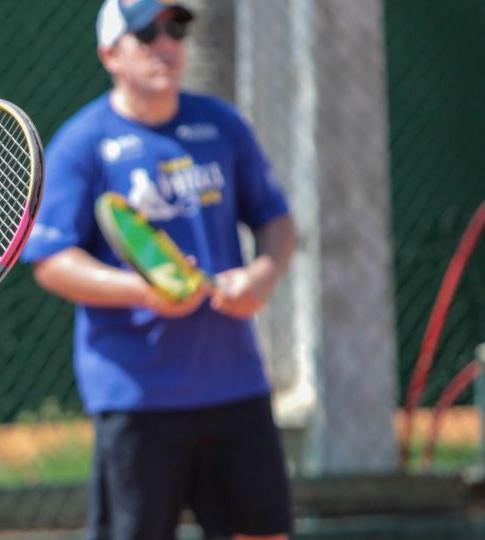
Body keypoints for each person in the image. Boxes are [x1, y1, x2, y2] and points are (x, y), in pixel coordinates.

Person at [21, 1, 297, 539]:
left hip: (234, 383)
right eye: (146, 32)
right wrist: (144, 291)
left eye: (177, 28)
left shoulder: (222, 124)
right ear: (109, 54)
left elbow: (275, 220)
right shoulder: (83, 143)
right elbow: (52, 262)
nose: (166, 42)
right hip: (136, 393)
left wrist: (261, 276)